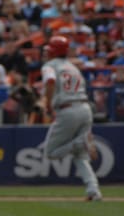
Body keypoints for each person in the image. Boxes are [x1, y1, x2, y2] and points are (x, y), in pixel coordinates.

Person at [41, 35, 102, 201]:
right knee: (80, 156)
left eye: (49, 50)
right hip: (84, 107)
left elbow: (50, 80)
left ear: (53, 51)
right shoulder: (73, 67)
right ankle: (93, 190)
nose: (46, 53)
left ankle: (80, 143)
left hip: (67, 110)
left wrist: (47, 104)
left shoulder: (50, 65)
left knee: (51, 153)